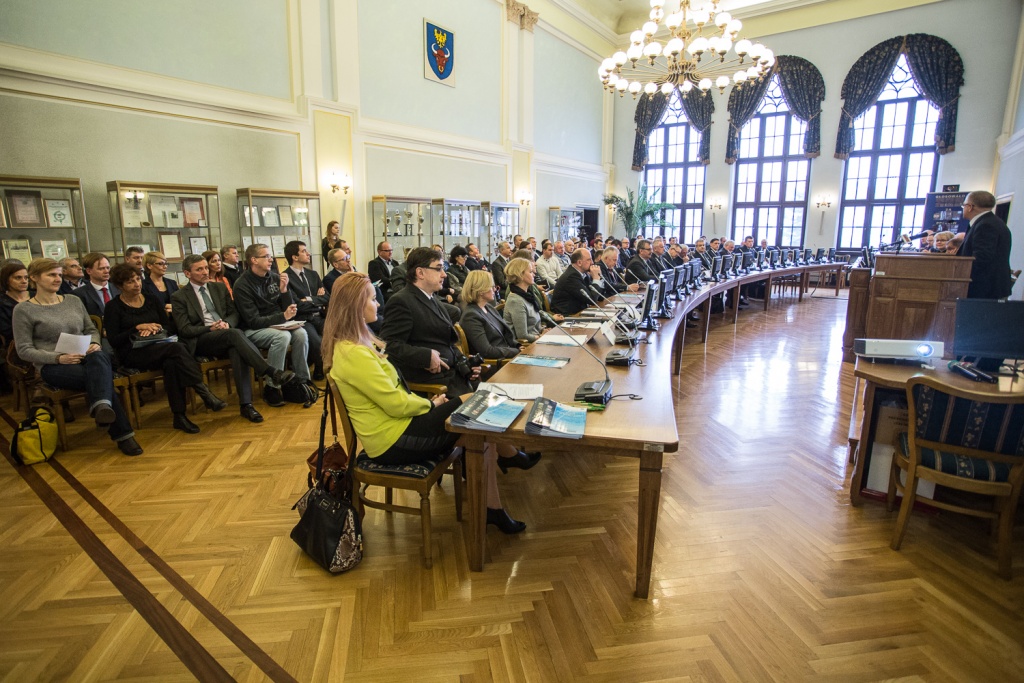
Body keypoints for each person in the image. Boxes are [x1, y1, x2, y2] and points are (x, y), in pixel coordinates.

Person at [323, 271, 526, 533]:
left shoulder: (356, 344)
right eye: (372, 299)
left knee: (478, 429)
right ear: (356, 306)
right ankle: (509, 459)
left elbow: (394, 394)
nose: (377, 304)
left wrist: (431, 404)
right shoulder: (353, 353)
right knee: (474, 402)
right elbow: (395, 403)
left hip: (398, 427)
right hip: (392, 440)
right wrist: (431, 405)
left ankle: (492, 507)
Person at [13, 258, 142, 455]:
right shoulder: (24, 310)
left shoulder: (73, 300)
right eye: (51, 275)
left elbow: (91, 329)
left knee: (99, 357)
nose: (57, 279)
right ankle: (120, 430)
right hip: (53, 366)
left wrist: (94, 342)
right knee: (102, 380)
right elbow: (23, 350)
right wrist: (58, 358)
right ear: (34, 278)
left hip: (85, 356)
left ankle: (104, 410)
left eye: (59, 274)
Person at [171, 254, 298, 423]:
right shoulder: (179, 296)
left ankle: (246, 405)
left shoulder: (219, 288)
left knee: (236, 349)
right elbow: (184, 329)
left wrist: (227, 323)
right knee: (235, 334)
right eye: (199, 269)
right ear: (187, 273)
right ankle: (270, 371)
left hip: (226, 334)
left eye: (206, 268)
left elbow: (234, 313)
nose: (205, 272)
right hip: (202, 339)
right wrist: (210, 327)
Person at [104, 262, 226, 434]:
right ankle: (204, 392)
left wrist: (157, 328)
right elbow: (114, 340)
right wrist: (137, 328)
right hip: (133, 353)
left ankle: (179, 416)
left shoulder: (151, 299)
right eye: (130, 281)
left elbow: (169, 327)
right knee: (176, 349)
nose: (137, 284)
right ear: (120, 285)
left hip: (160, 346)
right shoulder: (113, 307)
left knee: (172, 363)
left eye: (138, 279)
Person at [379, 247, 480, 398]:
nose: (444, 274)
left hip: (454, 374)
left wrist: (464, 362)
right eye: (438, 269)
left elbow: (446, 342)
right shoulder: (401, 301)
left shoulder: (432, 298)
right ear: (420, 273)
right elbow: (390, 345)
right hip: (434, 385)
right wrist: (425, 356)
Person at [234, 243, 311, 406]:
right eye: (266, 256)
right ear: (254, 260)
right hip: (253, 329)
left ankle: (300, 381)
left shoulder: (275, 277)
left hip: (278, 324)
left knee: (301, 334)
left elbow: (289, 309)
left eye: (270, 256)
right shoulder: (242, 285)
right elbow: (253, 321)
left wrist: (284, 291)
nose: (271, 260)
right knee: (282, 337)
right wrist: (282, 317)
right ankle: (272, 387)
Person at [284, 240, 328, 381]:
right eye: (304, 251)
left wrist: (309, 299)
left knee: (340, 333)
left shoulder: (313, 274)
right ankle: (319, 368)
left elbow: (327, 297)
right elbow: (296, 304)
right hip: (302, 319)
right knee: (316, 342)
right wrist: (317, 300)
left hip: (320, 316)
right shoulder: (286, 277)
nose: (308, 253)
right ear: (294, 257)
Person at [959, 191, 1013, 300]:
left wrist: (960, 273)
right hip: (987, 287)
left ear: (970, 207)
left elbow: (981, 258)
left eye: (963, 205)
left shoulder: (985, 225)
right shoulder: (991, 221)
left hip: (984, 289)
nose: (963, 208)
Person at [460, 270, 520, 362]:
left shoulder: (488, 307)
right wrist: (516, 352)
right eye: (492, 287)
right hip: (498, 363)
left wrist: (518, 346)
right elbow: (487, 351)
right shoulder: (471, 316)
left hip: (508, 355)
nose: (494, 289)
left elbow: (506, 335)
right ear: (481, 290)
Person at [550, 248, 610, 316]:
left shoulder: (583, 273)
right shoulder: (571, 276)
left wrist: (599, 277)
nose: (592, 263)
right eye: (589, 260)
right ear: (579, 263)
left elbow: (600, 297)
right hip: (569, 316)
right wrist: (596, 279)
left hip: (580, 312)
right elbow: (592, 300)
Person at [502, 258, 546, 342]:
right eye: (530, 272)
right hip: (527, 345)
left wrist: (543, 330)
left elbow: (533, 326)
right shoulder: (516, 301)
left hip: (536, 339)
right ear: (520, 275)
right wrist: (541, 337)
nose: (534, 275)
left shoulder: (527, 295)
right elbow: (522, 336)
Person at [71, 252, 119, 319]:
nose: (106, 271)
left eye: (108, 268)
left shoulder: (119, 288)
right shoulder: (79, 294)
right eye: (101, 269)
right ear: (89, 271)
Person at [141, 251, 179, 317]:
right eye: (160, 264)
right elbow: (146, 306)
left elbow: (180, 303)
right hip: (155, 319)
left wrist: (174, 308)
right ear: (149, 266)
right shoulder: (143, 285)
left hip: (175, 319)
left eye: (166, 263)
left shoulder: (172, 283)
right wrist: (166, 306)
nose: (165, 266)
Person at [0, 261, 30, 342]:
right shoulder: (2, 302)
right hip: (19, 342)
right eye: (18, 278)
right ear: (7, 280)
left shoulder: (37, 295)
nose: (24, 281)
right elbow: (8, 332)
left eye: (26, 277)